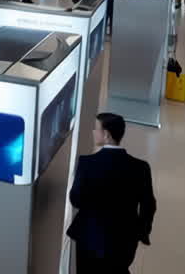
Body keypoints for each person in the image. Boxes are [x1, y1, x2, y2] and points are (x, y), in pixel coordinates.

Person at [67, 113, 157, 274]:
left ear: (106, 134)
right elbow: (149, 205)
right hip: (124, 241)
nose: (94, 132)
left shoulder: (87, 164)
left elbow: (76, 200)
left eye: (96, 128)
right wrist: (141, 232)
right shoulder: (141, 167)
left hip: (89, 238)